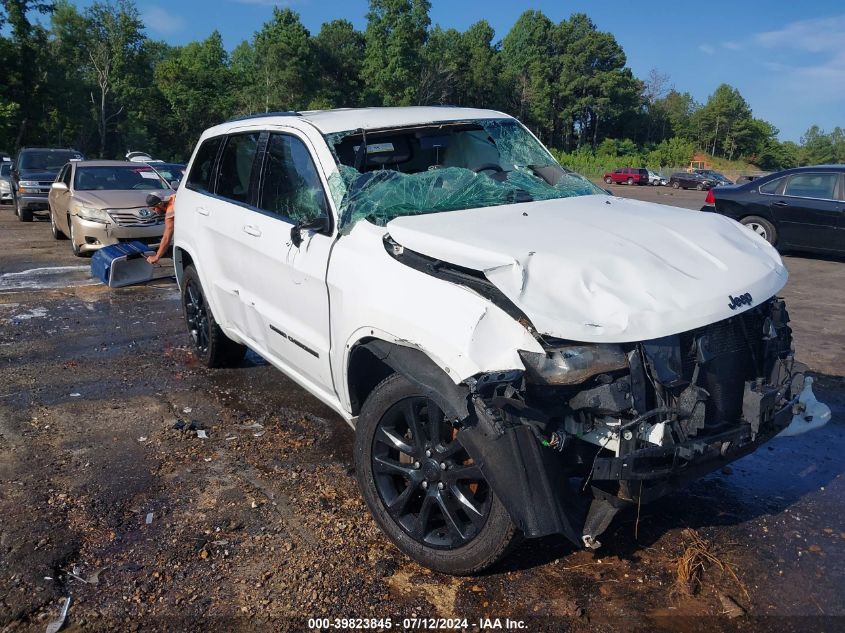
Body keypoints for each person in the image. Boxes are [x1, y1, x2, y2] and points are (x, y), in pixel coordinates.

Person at [145, 192, 175, 265]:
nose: (154, 212)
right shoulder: (173, 197)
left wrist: (156, 257)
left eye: (154, 208)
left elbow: (167, 237)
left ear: (160, 204)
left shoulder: (170, 212)